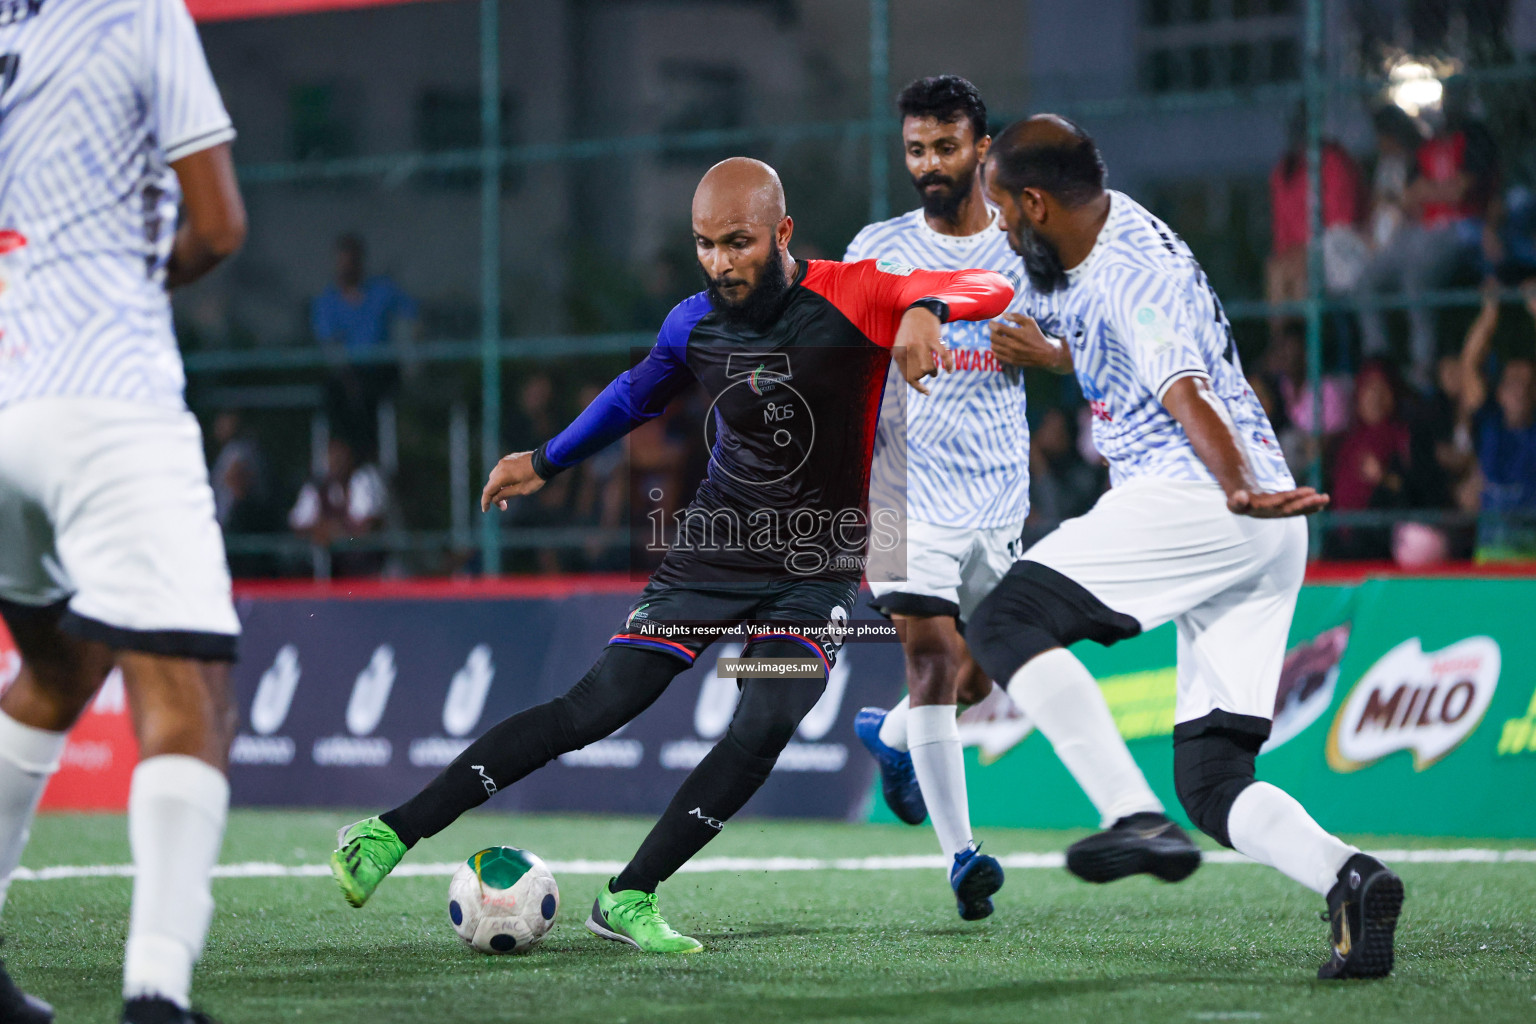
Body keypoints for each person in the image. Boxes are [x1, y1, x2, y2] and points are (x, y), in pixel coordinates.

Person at [328, 157, 1015, 953]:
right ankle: (386, 833)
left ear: (782, 233)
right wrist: (543, 460)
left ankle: (628, 896)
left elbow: (985, 290)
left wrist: (925, 308)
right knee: (597, 708)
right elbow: (634, 395)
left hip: (813, 574)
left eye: (739, 243)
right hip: (713, 555)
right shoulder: (693, 322)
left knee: (767, 719)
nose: (721, 263)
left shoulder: (854, 292)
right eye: (705, 245)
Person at [973, 115, 1404, 980]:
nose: (1005, 237)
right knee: (1212, 780)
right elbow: (1128, 355)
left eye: (1007, 218)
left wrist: (1235, 483)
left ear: (1035, 203)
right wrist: (1058, 357)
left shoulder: (1134, 274)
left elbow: (1186, 389)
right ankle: (1350, 878)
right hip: (1263, 529)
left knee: (1005, 620)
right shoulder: (1104, 225)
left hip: (1205, 494)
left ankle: (1129, 811)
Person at [842, 75, 1195, 919]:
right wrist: (898, 326)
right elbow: (843, 336)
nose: (929, 164)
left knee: (974, 680)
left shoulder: (1021, 244)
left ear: (982, 148)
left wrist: (1051, 360)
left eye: (946, 147)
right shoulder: (879, 247)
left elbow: (1090, 344)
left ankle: (892, 738)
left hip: (997, 497)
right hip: (902, 491)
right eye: (917, 150)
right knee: (929, 661)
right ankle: (964, 859)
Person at [0, 0, 247, 1020]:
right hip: (105, 393)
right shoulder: (137, 10)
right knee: (183, 692)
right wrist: (140, 277)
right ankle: (156, 992)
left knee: (58, 667)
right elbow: (220, 225)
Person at [1458, 283, 1536, 560]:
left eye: (1529, 384)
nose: (1521, 390)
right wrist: (1489, 316)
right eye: (1514, 383)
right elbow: (1469, 366)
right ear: (1500, 392)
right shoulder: (1490, 426)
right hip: (1490, 561)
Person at [287, 437, 389, 578]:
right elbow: (297, 524)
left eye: (339, 456)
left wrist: (336, 530)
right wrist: (321, 529)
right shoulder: (316, 486)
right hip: (325, 561)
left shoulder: (364, 479)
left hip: (361, 560)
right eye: (331, 457)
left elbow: (365, 526)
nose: (335, 462)